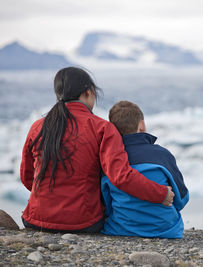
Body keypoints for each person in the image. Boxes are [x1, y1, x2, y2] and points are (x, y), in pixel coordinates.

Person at [20, 67, 174, 233]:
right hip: (82, 223)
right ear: (89, 92)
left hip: (35, 220)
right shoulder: (102, 128)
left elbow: (27, 177)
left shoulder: (37, 127)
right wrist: (161, 193)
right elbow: (120, 176)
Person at [101, 101, 189, 238]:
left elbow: (105, 203)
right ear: (142, 125)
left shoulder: (110, 161)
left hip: (121, 228)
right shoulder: (162, 155)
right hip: (166, 230)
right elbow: (182, 199)